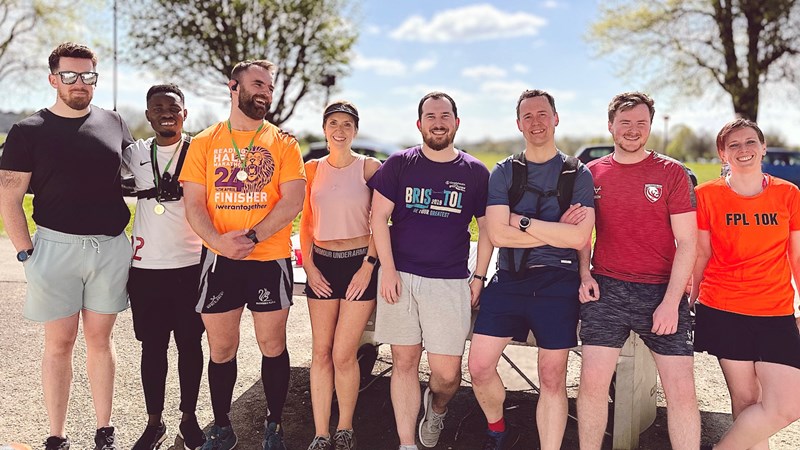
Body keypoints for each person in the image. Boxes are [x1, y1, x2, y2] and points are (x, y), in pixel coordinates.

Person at [0, 42, 133, 450]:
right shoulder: (27, 131)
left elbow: (141, 175)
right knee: (59, 344)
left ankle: (104, 430)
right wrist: (26, 253)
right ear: (53, 79)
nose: (80, 83)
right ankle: (56, 435)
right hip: (54, 250)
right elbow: (8, 198)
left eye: (87, 75)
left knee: (100, 341)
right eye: (70, 75)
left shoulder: (115, 122)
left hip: (109, 248)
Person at [179, 60, 305, 450]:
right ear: (233, 87)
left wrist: (251, 237)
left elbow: (293, 200)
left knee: (272, 344)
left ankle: (274, 425)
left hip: (269, 258)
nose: (265, 92)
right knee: (221, 348)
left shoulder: (284, 143)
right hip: (220, 261)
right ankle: (222, 427)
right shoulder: (204, 142)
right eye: (257, 84)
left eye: (269, 86)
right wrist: (219, 243)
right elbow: (193, 204)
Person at [468, 89, 595, 450]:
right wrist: (557, 232)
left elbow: (580, 237)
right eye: (528, 116)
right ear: (518, 123)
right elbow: (496, 234)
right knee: (478, 366)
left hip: (558, 283)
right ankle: (497, 428)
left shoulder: (577, 173)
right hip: (509, 279)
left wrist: (519, 221)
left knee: (552, 376)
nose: (536, 122)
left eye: (543, 114)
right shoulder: (504, 171)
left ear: (556, 119)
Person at [368, 92, 492, 450]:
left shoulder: (475, 172)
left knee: (448, 374)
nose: (438, 123)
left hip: (449, 281)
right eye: (431, 116)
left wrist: (479, 277)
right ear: (419, 123)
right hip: (401, 277)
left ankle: (436, 408)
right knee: (404, 362)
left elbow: (488, 230)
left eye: (445, 116)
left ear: (456, 122)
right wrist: (388, 270)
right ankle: (407, 443)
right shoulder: (399, 163)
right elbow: (378, 217)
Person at [576, 92, 700, 450]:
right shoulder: (591, 174)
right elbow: (582, 234)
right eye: (625, 123)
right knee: (592, 385)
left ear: (650, 126)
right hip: (607, 289)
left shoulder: (672, 172)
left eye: (641, 123)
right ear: (610, 126)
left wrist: (671, 302)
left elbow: (688, 242)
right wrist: (585, 275)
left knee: (681, 391)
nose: (633, 130)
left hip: (661, 292)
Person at [692, 118, 800, 450]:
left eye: (751, 142)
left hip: (776, 311)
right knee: (746, 398)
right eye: (734, 145)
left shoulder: (789, 194)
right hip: (724, 308)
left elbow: (797, 256)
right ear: (722, 153)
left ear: (763, 147)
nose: (744, 149)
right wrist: (688, 300)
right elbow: (701, 253)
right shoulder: (706, 195)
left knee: (788, 405)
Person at [122, 84, 207, 450]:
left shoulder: (201, 151)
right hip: (146, 270)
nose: (166, 113)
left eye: (173, 107)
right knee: (152, 348)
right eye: (157, 108)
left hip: (190, 267)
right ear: (148, 115)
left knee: (190, 345)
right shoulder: (135, 153)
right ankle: (154, 422)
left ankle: (189, 418)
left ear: (184, 114)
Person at [300, 101, 381, 450]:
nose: (340, 129)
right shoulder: (311, 169)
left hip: (358, 266)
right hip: (322, 265)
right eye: (333, 123)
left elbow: (382, 221)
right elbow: (305, 224)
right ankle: (321, 433)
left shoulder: (369, 168)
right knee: (321, 353)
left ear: (355, 131)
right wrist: (309, 267)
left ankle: (345, 428)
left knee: (343, 354)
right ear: (324, 129)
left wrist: (368, 266)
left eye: (347, 124)